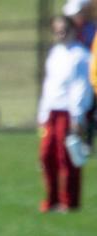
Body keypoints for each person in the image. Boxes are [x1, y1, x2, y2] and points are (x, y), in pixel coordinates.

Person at [37, 16, 93, 213]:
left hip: (68, 113)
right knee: (46, 156)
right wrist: (42, 113)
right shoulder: (55, 53)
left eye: (63, 29)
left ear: (72, 30)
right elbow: (49, 85)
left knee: (67, 158)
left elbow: (80, 88)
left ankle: (69, 201)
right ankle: (51, 199)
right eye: (56, 30)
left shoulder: (80, 55)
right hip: (52, 111)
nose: (60, 33)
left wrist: (77, 117)